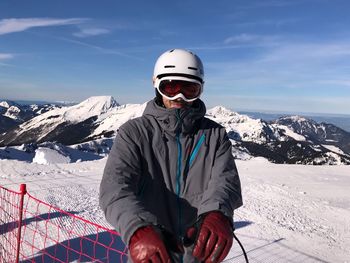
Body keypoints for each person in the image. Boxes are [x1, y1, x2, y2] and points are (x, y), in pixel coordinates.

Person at [100, 49, 243, 263]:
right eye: (171, 87)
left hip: (199, 251)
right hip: (151, 251)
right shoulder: (134, 133)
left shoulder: (214, 135)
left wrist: (218, 213)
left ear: (200, 91)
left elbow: (225, 182)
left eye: (189, 89)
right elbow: (115, 188)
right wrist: (137, 228)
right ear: (157, 86)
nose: (179, 97)